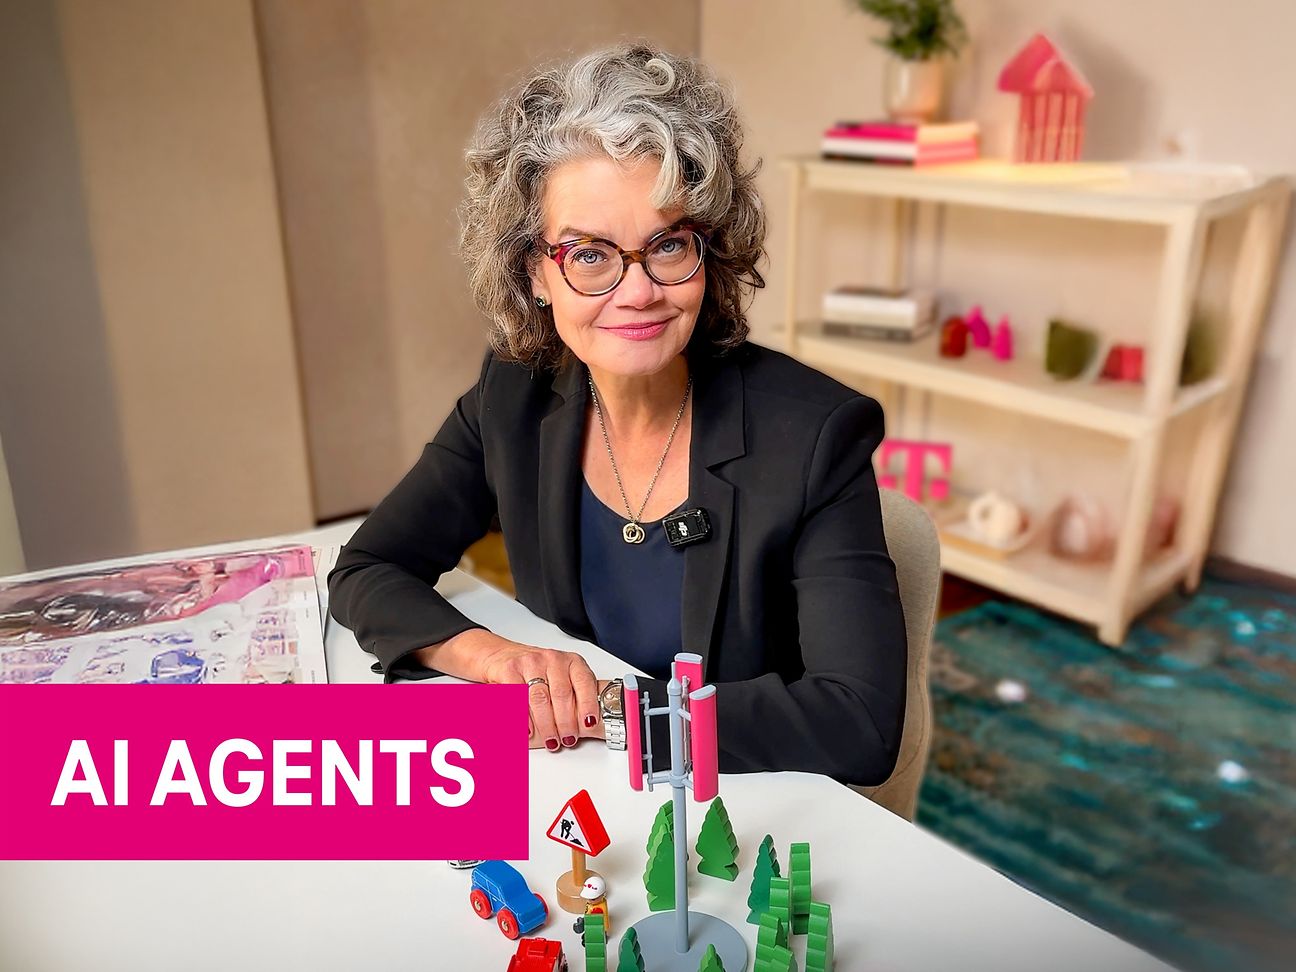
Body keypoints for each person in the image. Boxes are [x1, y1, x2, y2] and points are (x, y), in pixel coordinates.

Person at [328, 43, 907, 786]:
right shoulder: (515, 392)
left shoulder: (817, 435)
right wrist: (496, 660)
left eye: (668, 245)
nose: (637, 292)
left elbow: (859, 722)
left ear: (710, 253)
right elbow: (369, 568)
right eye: (589, 254)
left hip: (732, 805)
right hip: (572, 788)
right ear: (535, 272)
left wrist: (606, 710)